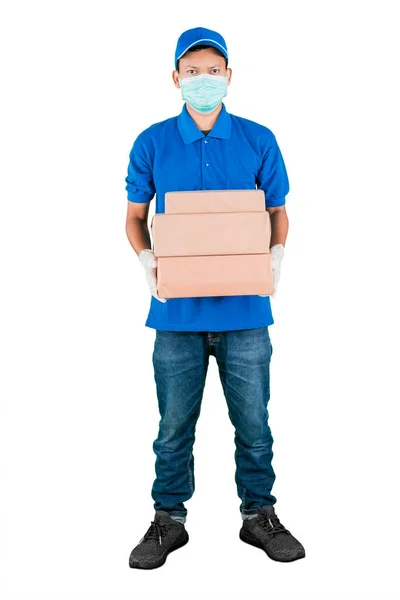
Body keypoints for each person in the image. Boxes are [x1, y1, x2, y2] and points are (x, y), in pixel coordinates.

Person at [125, 26, 306, 569]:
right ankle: (168, 520)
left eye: (213, 70)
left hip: (246, 312)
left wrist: (276, 252)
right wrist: (147, 259)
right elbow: (135, 219)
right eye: (193, 71)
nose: (203, 80)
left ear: (229, 76)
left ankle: (259, 516)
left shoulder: (258, 138)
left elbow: (277, 209)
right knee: (173, 427)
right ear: (175, 78)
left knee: (254, 425)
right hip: (175, 313)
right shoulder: (152, 142)